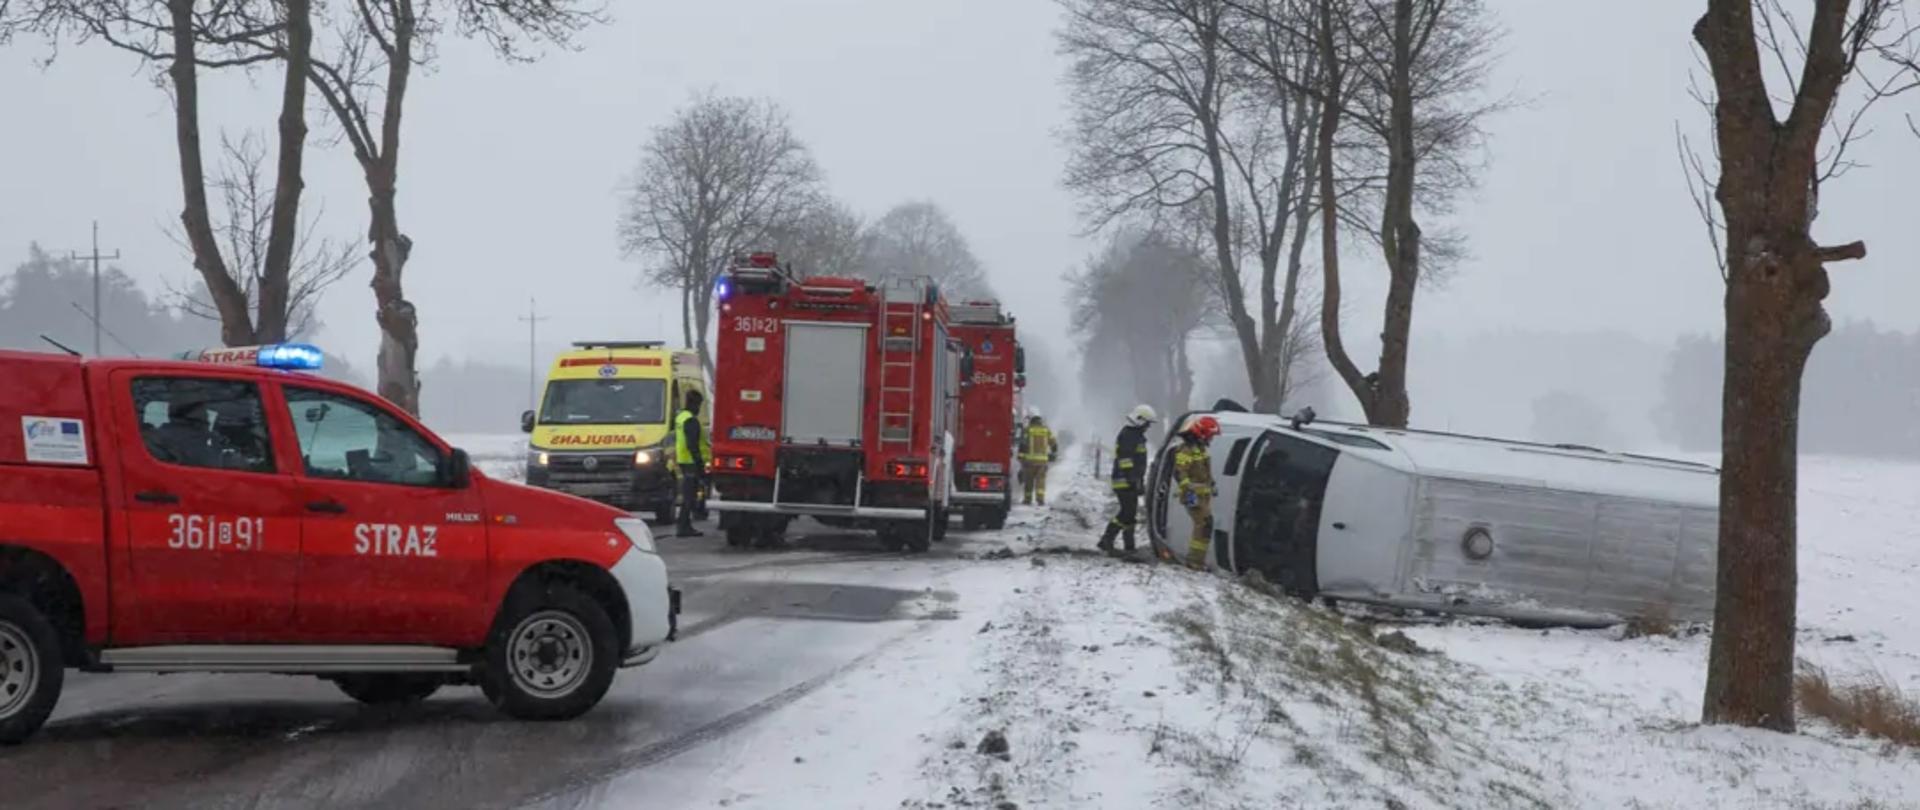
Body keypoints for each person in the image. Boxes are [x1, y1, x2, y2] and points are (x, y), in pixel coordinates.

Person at [1098, 404, 1156, 556]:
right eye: (1147, 423)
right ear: (1140, 420)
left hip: (1130, 480)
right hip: (1124, 480)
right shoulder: (1130, 436)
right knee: (1127, 513)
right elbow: (1125, 459)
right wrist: (1132, 478)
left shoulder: (1134, 435)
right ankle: (1107, 540)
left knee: (1130, 514)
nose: (1148, 426)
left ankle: (1129, 546)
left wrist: (1138, 481)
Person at [1172, 415, 1221, 571]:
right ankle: (1194, 561)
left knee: (1204, 525)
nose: (1211, 439)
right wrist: (1188, 491)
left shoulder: (1200, 450)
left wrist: (1211, 484)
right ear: (1202, 433)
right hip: (1193, 496)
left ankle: (1196, 560)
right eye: (1210, 436)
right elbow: (1180, 472)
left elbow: (1204, 471)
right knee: (1204, 525)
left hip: (1202, 496)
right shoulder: (1186, 450)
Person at [673, 390, 708, 538]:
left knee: (689, 495)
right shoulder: (691, 420)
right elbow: (692, 444)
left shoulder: (680, 417)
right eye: (699, 405)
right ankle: (684, 527)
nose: (699, 408)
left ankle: (684, 525)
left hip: (683, 460)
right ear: (694, 403)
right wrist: (700, 463)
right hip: (691, 462)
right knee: (690, 496)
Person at [1019, 412, 1057, 505]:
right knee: (1041, 481)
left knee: (1029, 481)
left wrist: (1021, 458)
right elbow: (1054, 443)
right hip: (1042, 461)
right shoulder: (1046, 430)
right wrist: (1053, 452)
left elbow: (1023, 445)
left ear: (1032, 422)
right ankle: (1040, 499)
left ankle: (1027, 499)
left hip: (1029, 461)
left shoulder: (1027, 430)